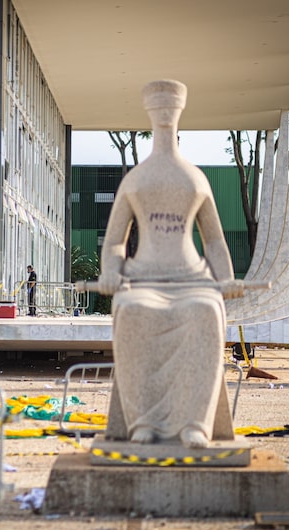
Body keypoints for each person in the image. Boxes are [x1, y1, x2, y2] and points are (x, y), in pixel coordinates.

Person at [97, 80, 243, 449]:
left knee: (206, 312)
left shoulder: (195, 178)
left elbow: (213, 240)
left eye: (169, 108)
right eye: (157, 108)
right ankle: (142, 422)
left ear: (178, 113)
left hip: (192, 279)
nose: (164, 114)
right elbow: (115, 240)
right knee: (129, 313)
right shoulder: (136, 179)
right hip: (142, 280)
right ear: (149, 113)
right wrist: (111, 272)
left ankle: (195, 423)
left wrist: (225, 278)